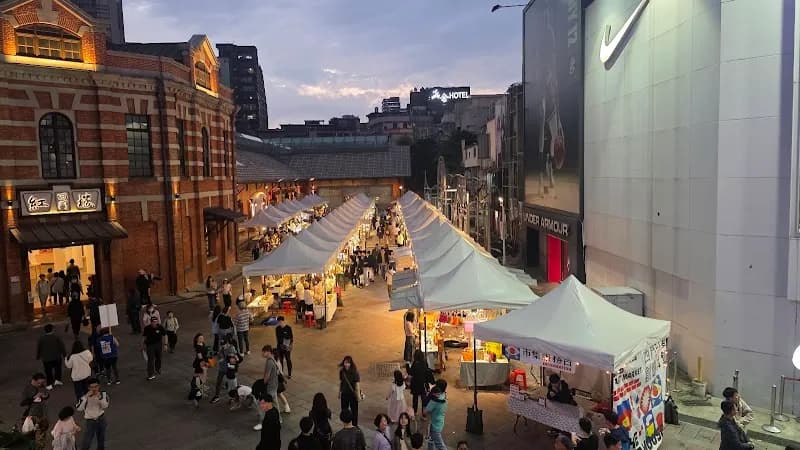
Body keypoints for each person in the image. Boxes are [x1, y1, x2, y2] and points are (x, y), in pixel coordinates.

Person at [77, 377, 108, 450]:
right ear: (88, 388)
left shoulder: (103, 395)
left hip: (101, 418)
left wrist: (100, 397)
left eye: (96, 386)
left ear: (99, 386)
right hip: (90, 421)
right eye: (92, 387)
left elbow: (105, 406)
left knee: (101, 439)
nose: (94, 389)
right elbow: (79, 408)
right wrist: (86, 397)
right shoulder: (84, 397)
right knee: (87, 441)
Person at [20, 373, 49, 445]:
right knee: (30, 434)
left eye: (42, 383)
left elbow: (45, 393)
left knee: (41, 434)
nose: (41, 384)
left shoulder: (41, 386)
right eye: (39, 383)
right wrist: (34, 398)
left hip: (41, 414)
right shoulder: (27, 389)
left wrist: (45, 396)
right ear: (33, 380)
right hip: (31, 415)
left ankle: (39, 445)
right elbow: (22, 403)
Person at [211, 335, 241, 403]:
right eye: (221, 344)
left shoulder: (232, 348)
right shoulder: (221, 348)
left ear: (227, 343)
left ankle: (233, 397)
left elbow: (234, 360)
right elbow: (219, 357)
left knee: (231, 385)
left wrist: (223, 359)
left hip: (229, 369)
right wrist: (218, 358)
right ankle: (216, 396)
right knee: (219, 382)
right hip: (222, 368)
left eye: (224, 344)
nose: (222, 346)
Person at [36, 324, 66, 390]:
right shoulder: (56, 337)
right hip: (56, 357)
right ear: (52, 329)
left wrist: (38, 356)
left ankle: (49, 384)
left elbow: (39, 348)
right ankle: (57, 380)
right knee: (58, 369)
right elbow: (62, 346)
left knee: (48, 371)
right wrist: (64, 354)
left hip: (46, 358)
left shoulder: (41, 338)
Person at [339, 355, 363, 427]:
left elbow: (357, 385)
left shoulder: (355, 373)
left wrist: (358, 396)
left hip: (352, 395)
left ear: (351, 363)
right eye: (345, 362)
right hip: (344, 394)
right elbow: (341, 382)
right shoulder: (342, 371)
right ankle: (345, 424)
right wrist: (339, 392)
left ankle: (354, 425)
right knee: (344, 410)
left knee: (354, 411)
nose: (346, 364)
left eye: (348, 363)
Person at [141, 315, 167, 380]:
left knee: (159, 358)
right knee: (150, 360)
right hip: (150, 346)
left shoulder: (160, 327)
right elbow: (144, 337)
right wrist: (142, 345)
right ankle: (150, 374)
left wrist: (165, 344)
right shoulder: (147, 328)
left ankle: (158, 369)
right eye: (153, 322)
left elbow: (165, 335)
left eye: (156, 321)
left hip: (158, 345)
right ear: (151, 322)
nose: (154, 323)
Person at [409, 350, 432, 416]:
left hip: (415, 384)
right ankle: (424, 415)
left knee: (415, 399)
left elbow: (411, 373)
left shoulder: (415, 364)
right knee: (424, 400)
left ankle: (415, 412)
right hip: (423, 384)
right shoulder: (424, 362)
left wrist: (408, 366)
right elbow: (427, 372)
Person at [424, 386, 448, 450]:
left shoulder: (433, 402)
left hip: (434, 425)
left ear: (433, 393)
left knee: (440, 444)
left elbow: (425, 412)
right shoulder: (444, 399)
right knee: (431, 440)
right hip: (440, 422)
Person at [271, 347, 292, 413]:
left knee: (278, 394)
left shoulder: (275, 362)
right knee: (279, 394)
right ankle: (286, 407)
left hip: (275, 380)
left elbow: (279, 372)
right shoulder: (278, 361)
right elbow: (281, 372)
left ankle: (284, 407)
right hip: (278, 380)